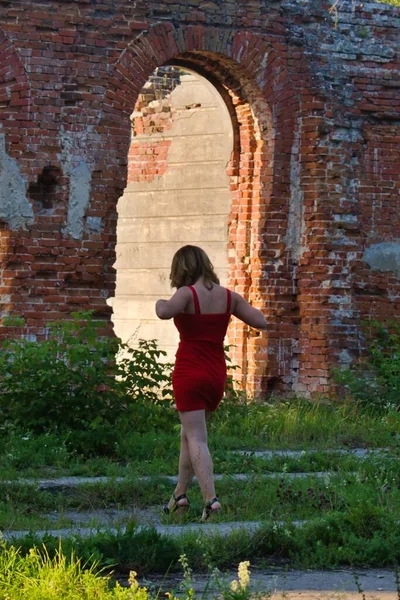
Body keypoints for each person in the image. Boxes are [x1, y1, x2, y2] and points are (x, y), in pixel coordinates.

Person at [155, 245, 268, 522]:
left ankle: (211, 500)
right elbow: (261, 321)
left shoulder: (186, 293)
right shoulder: (228, 297)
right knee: (189, 433)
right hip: (216, 373)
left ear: (181, 268)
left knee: (196, 438)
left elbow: (164, 312)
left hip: (190, 372)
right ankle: (179, 495)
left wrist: (159, 303)